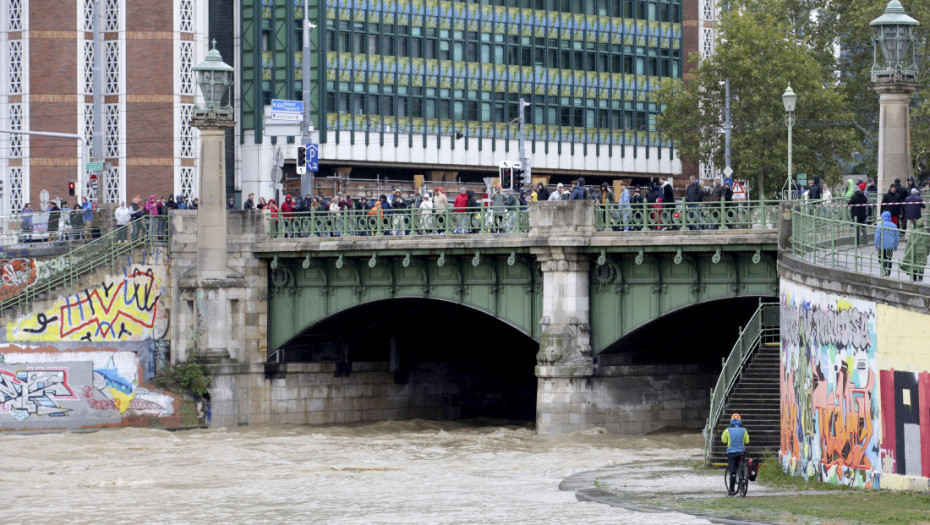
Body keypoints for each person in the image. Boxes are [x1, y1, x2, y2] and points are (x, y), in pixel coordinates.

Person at [721, 413, 750, 496]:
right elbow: (747, 441)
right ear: (740, 421)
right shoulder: (744, 430)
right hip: (741, 452)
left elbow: (723, 440)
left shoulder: (727, 430)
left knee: (732, 472)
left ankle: (731, 490)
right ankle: (743, 481)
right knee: (741, 466)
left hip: (731, 453)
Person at [875, 211, 900, 277]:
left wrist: (876, 246)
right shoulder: (894, 225)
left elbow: (877, 236)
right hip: (890, 246)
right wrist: (895, 246)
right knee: (889, 259)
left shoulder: (880, 225)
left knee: (880, 258)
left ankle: (885, 269)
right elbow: (896, 237)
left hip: (882, 245)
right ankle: (888, 271)